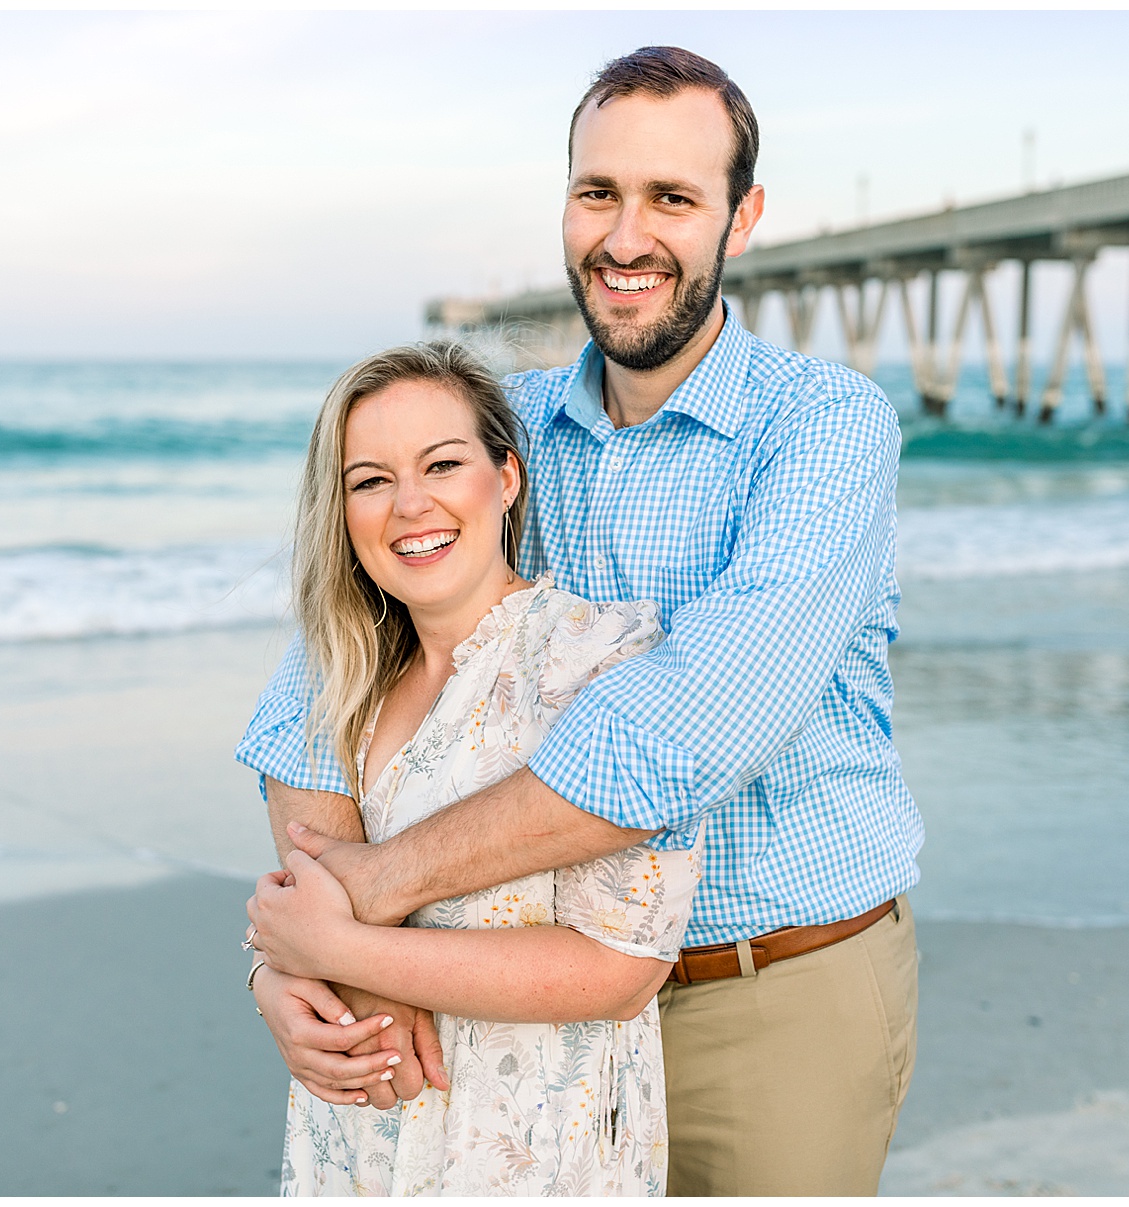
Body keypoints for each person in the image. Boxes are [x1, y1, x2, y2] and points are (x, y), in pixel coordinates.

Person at [239, 45, 923, 1196]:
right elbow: (325, 684)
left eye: (673, 198)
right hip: (511, 1007)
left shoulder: (822, 426)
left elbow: (684, 733)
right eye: (598, 192)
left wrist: (366, 898)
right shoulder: (506, 434)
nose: (625, 236)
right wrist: (303, 962)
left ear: (743, 215)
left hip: (765, 994)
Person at [244, 341, 698, 1195]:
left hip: (530, 1149)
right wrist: (275, 976)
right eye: (370, 480)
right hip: (358, 1137)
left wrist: (346, 950)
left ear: (507, 477)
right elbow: (292, 906)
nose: (410, 504)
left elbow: (621, 971)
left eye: (443, 464)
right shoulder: (340, 682)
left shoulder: (596, 661)